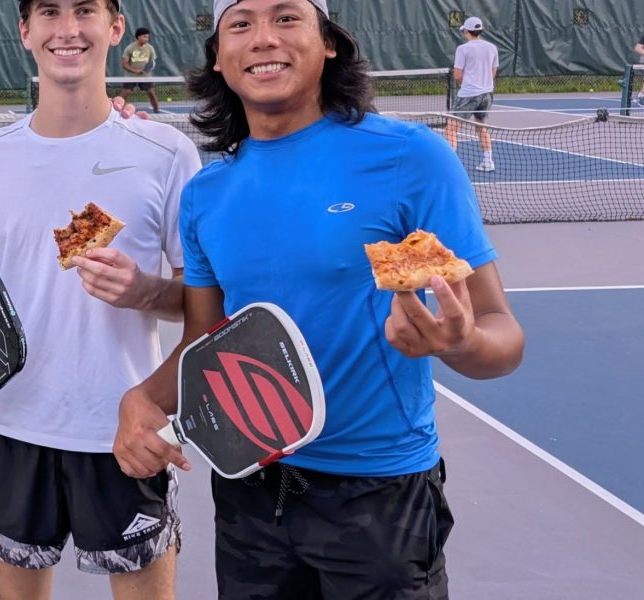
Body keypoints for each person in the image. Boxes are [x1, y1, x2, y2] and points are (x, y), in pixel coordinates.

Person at [112, 1, 525, 598]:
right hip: (251, 492)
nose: (262, 39)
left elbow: (502, 335)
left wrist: (462, 343)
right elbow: (204, 344)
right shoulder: (206, 194)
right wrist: (141, 398)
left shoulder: (411, 158)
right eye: (241, 24)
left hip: (379, 497)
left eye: (286, 18)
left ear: (327, 42)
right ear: (219, 56)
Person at [0, 1, 200, 598]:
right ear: (25, 31)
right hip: (11, 426)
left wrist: (145, 291)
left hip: (123, 428)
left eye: (85, 10)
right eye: (49, 12)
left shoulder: (167, 154)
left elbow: (202, 305)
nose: (67, 28)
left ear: (114, 28)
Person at [446, 16, 499, 172]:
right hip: (487, 95)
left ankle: (450, 166)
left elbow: (457, 75)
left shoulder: (462, 49)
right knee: (481, 128)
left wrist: (465, 84)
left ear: (467, 31)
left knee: (450, 129)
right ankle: (488, 161)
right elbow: (493, 72)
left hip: (468, 94)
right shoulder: (492, 47)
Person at [119, 26, 161, 113]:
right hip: (130, 76)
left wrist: (146, 70)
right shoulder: (130, 48)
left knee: (151, 93)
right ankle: (117, 110)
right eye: (144, 36)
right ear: (138, 37)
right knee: (126, 92)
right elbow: (124, 64)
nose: (147, 39)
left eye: (148, 37)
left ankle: (157, 111)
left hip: (146, 76)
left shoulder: (150, 48)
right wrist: (136, 71)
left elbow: (152, 63)